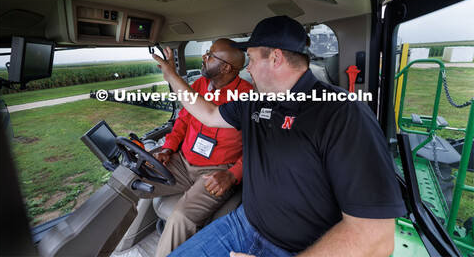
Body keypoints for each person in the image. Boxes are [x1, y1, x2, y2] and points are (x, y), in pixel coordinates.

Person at [153, 16, 406, 256]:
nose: (248, 69)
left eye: (251, 59)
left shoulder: (343, 113)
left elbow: (376, 237)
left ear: (275, 58)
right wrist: (171, 76)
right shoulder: (253, 102)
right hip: (242, 225)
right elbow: (206, 113)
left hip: (300, 250)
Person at [149, 38, 253, 257]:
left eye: (211, 55)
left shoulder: (248, 98)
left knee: (180, 217)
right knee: (132, 177)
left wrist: (233, 174)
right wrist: (168, 148)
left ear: (225, 67)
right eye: (206, 52)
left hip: (216, 171)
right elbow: (183, 121)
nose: (204, 58)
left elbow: (257, 148)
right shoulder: (197, 86)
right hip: (183, 162)